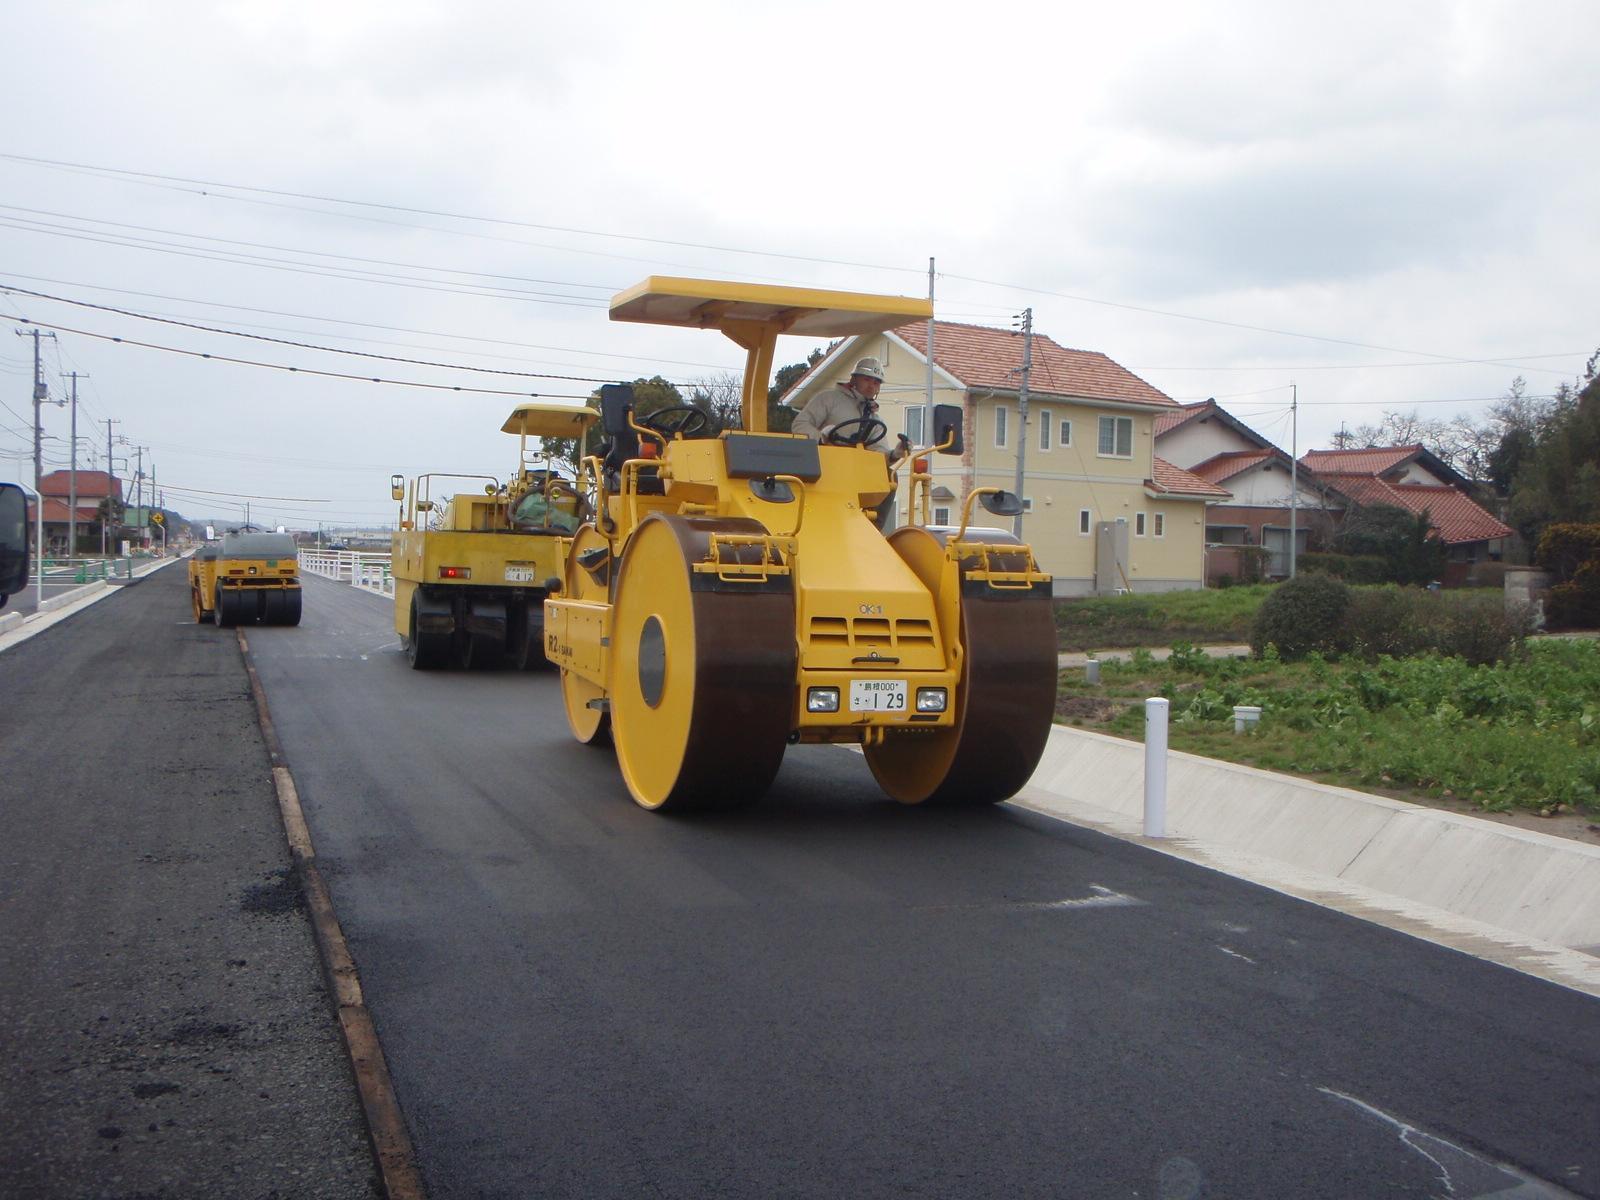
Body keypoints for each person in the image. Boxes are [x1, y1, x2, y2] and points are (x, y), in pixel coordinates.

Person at [791, 357, 908, 530]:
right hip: (821, 466)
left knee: (890, 475)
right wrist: (822, 438)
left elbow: (877, 456)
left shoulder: (874, 419)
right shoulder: (829, 399)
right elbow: (800, 425)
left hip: (852, 472)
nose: (871, 386)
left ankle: (872, 529)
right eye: (866, 379)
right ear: (854, 379)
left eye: (876, 382)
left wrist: (894, 454)